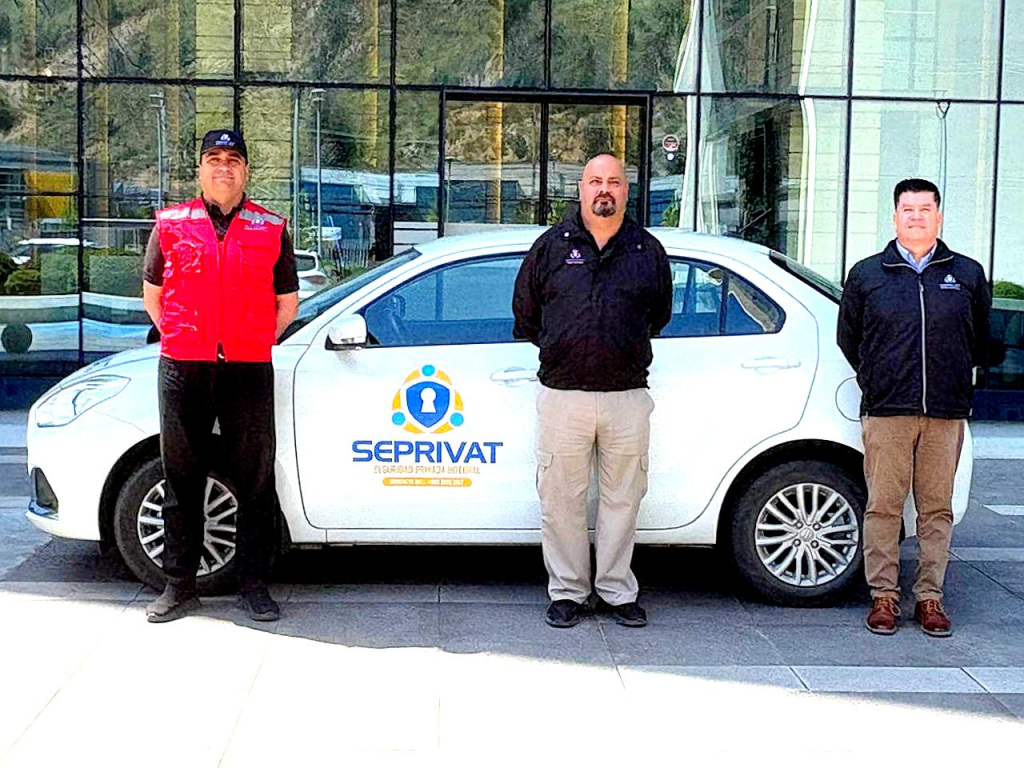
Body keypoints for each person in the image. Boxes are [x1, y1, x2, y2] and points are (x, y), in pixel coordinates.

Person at [142, 129, 299, 623]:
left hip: (247, 369)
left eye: (233, 159)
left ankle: (253, 586)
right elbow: (154, 297)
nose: (223, 166)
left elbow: (287, 305)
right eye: (214, 158)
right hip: (183, 367)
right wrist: (188, 339)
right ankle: (179, 586)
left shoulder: (271, 228)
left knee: (254, 479)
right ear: (200, 169)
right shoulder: (170, 225)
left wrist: (248, 341)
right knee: (180, 477)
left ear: (246, 170)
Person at [512, 154, 673, 629]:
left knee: (624, 498)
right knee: (560, 500)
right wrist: (565, 347)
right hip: (564, 395)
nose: (605, 189)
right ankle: (568, 591)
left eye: (614, 182)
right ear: (581, 189)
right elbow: (526, 314)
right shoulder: (551, 247)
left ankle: (617, 590)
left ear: (626, 191)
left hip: (626, 396)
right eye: (595, 181)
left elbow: (659, 315)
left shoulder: (647, 250)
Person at [838, 178, 990, 637]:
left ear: (939, 217)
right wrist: (876, 378)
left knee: (936, 509)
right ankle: (884, 595)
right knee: (884, 506)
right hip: (888, 410)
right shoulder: (868, 274)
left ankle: (929, 597)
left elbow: (979, 339)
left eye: (926, 209)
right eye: (909, 209)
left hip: (945, 411)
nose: (917, 216)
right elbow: (850, 338)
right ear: (895, 217)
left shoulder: (966, 274)